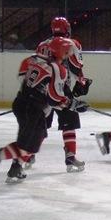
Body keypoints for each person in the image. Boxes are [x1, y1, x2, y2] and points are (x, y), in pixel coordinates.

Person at [0, 37, 89, 183]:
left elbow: (32, 83)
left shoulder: (37, 61)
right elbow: (54, 98)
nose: (69, 53)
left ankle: (13, 168)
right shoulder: (58, 69)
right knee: (28, 144)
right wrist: (73, 104)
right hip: (32, 108)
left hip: (22, 103)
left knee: (33, 140)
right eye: (67, 50)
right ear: (62, 51)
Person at [23, 17, 92, 172]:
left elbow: (36, 67)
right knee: (69, 121)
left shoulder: (42, 45)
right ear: (67, 29)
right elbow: (76, 68)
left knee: (40, 125)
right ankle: (70, 157)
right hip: (61, 87)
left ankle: (28, 155)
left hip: (41, 89)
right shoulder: (72, 44)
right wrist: (82, 83)